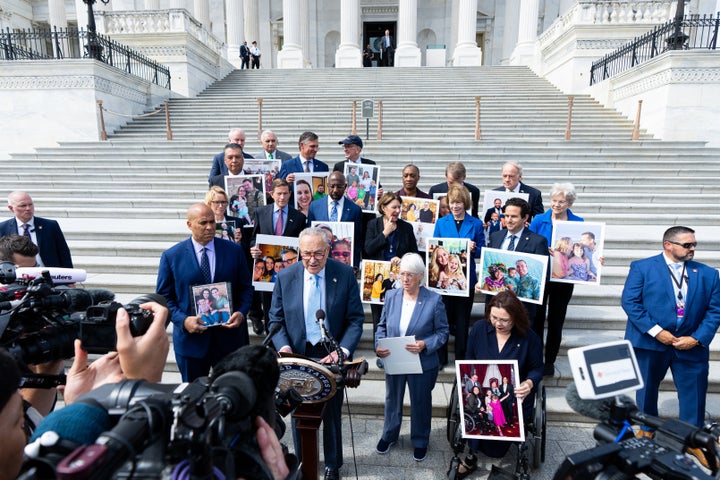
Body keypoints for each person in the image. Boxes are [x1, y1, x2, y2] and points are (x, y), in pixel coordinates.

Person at [269, 227, 364, 480]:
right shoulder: (286, 276)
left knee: (331, 413)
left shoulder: (344, 274)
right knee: (299, 413)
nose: (312, 260)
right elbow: (275, 319)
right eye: (306, 254)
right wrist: (284, 348)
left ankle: (332, 465)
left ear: (328, 251)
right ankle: (303, 463)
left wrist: (341, 351)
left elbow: (355, 320)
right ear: (300, 251)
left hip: (330, 353)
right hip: (296, 354)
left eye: (318, 254)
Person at [621, 226, 720, 439]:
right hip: (650, 343)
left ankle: (691, 438)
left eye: (694, 244)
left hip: (691, 345)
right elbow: (630, 302)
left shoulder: (709, 274)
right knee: (646, 390)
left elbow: (714, 311)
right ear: (668, 245)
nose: (692, 248)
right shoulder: (642, 267)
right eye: (687, 245)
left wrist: (696, 338)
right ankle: (647, 430)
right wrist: (657, 332)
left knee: (694, 394)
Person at [156, 203, 254, 382]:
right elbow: (164, 298)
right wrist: (183, 320)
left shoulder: (233, 251)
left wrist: (241, 312)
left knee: (231, 394)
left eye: (212, 222)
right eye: (203, 223)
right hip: (191, 342)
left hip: (229, 341)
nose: (209, 227)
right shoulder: (172, 256)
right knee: (193, 397)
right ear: (189, 225)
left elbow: (246, 288)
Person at [456, 291, 543, 477]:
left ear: (516, 318)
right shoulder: (480, 329)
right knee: (475, 407)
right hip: (483, 393)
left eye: (505, 320)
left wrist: (528, 383)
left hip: (514, 397)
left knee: (497, 450)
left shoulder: (529, 337)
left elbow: (537, 369)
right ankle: (471, 456)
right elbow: (469, 358)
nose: (498, 323)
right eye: (494, 317)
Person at [375, 253, 449, 462]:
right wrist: (379, 345)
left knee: (420, 402)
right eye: (402, 274)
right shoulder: (391, 296)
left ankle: (420, 440)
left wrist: (425, 344)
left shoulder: (434, 300)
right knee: (392, 399)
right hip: (394, 358)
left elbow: (443, 332)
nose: (405, 279)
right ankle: (389, 435)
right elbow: (381, 326)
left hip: (421, 361)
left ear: (421, 276)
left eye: (410, 275)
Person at [528, 182, 586, 376]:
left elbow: (582, 249)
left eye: (561, 201)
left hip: (563, 278)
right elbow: (531, 244)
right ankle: (536, 357)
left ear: (569, 203)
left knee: (556, 320)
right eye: (554, 200)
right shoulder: (539, 220)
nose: (557, 204)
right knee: (536, 319)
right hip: (541, 274)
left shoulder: (578, 222)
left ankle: (550, 360)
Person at [433, 185, 484, 364]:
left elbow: (481, 251)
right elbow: (435, 247)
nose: (455, 206)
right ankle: (441, 358)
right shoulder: (441, 222)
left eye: (459, 203)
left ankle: (461, 358)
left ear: (466, 203)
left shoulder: (475, 223)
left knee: (462, 321)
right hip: (445, 279)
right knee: (443, 319)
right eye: (452, 203)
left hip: (465, 279)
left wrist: (474, 248)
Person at [249, 178, 307, 333]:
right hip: (268, 270)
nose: (282, 197)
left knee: (288, 305)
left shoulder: (299, 217)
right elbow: (254, 237)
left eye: (286, 193)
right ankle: (270, 339)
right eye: (279, 194)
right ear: (271, 194)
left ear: (290, 194)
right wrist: (253, 248)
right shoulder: (261, 212)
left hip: (289, 269)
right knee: (269, 305)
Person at [483, 197, 548, 327]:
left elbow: (543, 278)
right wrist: (483, 284)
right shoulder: (496, 236)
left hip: (522, 308)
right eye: (506, 215)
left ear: (525, 218)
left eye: (514, 216)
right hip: (496, 306)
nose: (509, 220)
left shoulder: (538, 241)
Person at [364, 192, 419, 333]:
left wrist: (403, 259)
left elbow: (415, 253)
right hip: (380, 277)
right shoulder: (372, 224)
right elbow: (368, 249)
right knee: (378, 317)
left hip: (400, 279)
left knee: (399, 316)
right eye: (394, 207)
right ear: (383, 207)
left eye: (399, 207)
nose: (397, 211)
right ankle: (380, 349)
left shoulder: (406, 227)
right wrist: (384, 233)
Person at [0, 191, 73, 268]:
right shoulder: (3, 228)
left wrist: (70, 276)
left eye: (30, 204)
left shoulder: (50, 226)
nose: (28, 208)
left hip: (48, 275)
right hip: (17, 276)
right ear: (11, 208)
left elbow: (63, 253)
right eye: (23, 206)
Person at [307, 171, 363, 267]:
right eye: (332, 186)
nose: (335, 190)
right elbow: (309, 235)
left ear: (345, 186)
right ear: (327, 186)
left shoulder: (355, 210)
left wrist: (355, 264)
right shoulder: (314, 206)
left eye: (339, 186)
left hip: (342, 264)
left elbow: (357, 242)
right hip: (318, 262)